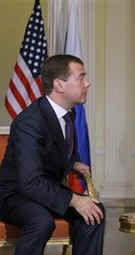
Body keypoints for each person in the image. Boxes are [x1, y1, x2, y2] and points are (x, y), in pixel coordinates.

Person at [0, 55, 105, 255]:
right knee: (41, 221)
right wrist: (74, 199)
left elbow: (53, 149)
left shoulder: (68, 113)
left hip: (46, 190)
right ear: (59, 85)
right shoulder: (29, 122)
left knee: (95, 211)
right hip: (15, 195)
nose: (87, 83)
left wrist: (72, 163)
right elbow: (29, 181)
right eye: (81, 77)